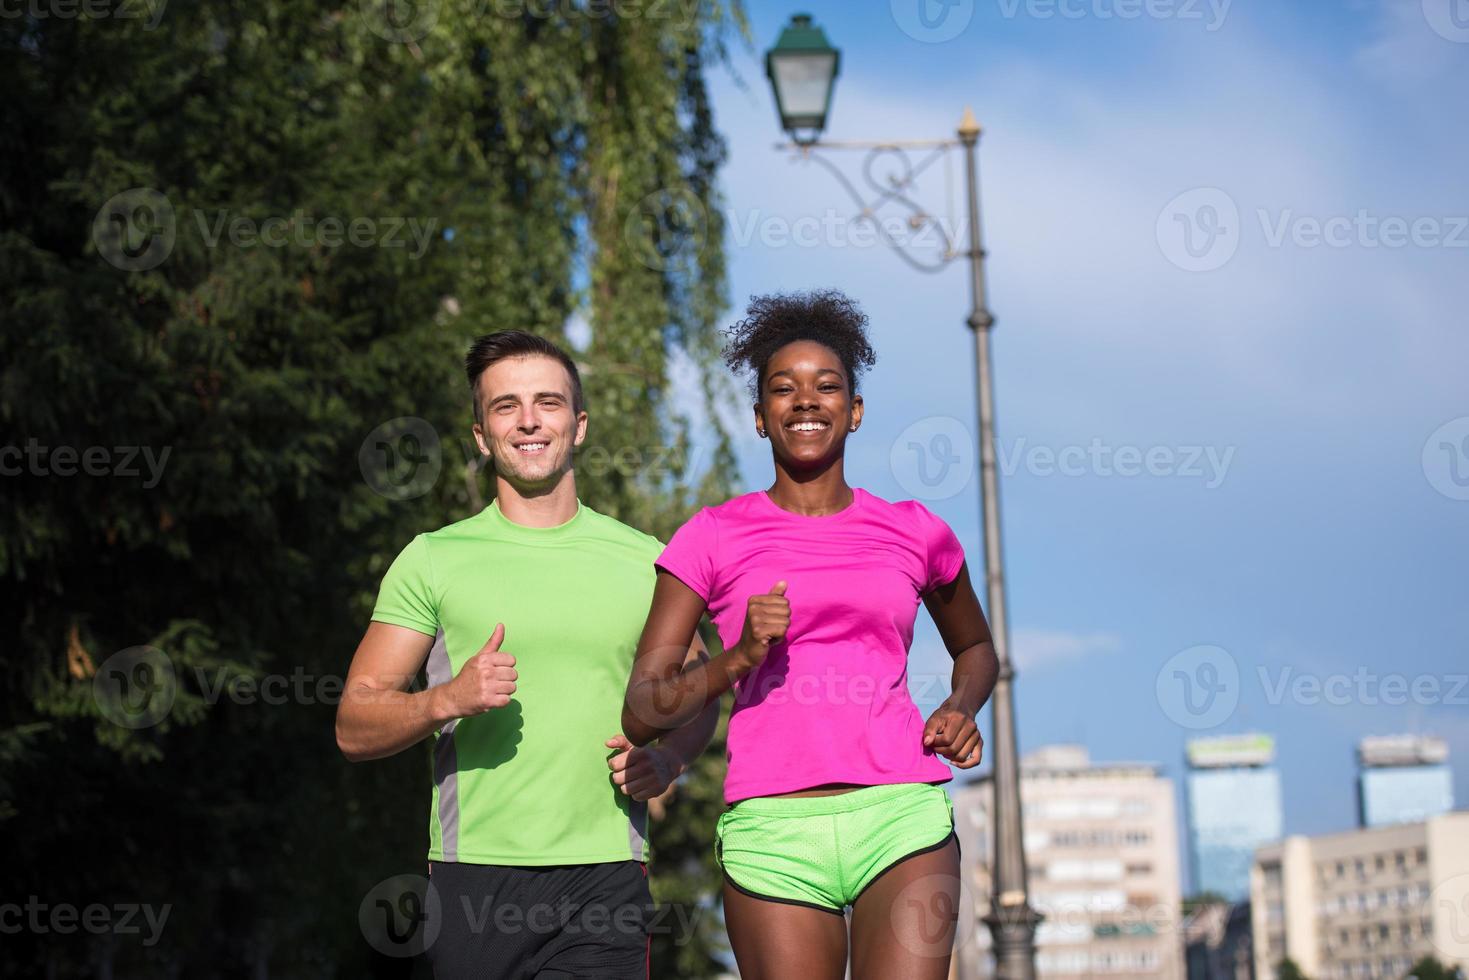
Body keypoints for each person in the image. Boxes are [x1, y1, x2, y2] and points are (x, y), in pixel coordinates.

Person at [621, 290, 1001, 979]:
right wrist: (736, 658)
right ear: (761, 418)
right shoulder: (709, 536)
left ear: (853, 411)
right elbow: (642, 709)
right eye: (782, 389)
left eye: (826, 386)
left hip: (899, 817)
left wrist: (959, 708)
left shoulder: (914, 530)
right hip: (772, 830)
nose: (804, 400)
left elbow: (975, 649)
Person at [336, 330, 716, 979]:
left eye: (548, 402)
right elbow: (353, 724)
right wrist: (446, 699)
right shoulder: (433, 559)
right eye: (505, 406)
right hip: (474, 881)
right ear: (482, 435)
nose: (530, 420)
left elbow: (699, 688)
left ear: (580, 424)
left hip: (606, 878)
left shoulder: (644, 557)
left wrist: (669, 757)